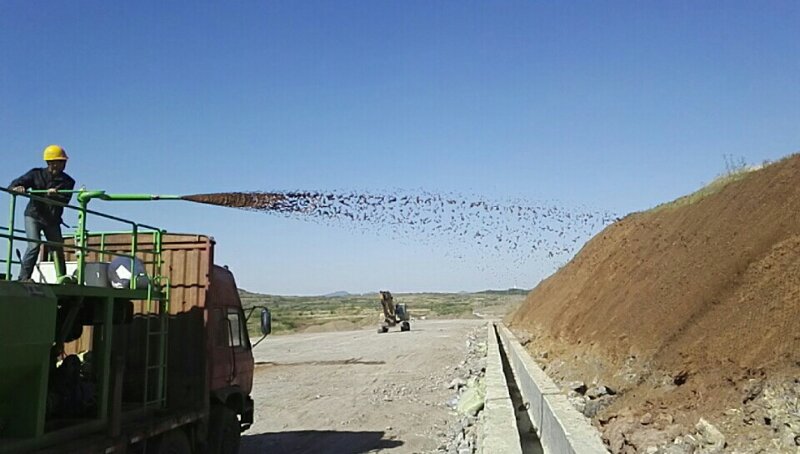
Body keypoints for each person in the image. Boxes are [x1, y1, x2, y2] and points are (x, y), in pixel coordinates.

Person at [9, 145, 76, 281]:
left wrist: (54, 196)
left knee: (57, 248)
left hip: (52, 219)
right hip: (34, 215)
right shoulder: (35, 174)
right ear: (51, 163)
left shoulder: (68, 181)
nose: (64, 164)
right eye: (61, 161)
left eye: (64, 161)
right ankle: (23, 278)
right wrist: (17, 188)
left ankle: (63, 279)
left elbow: (65, 200)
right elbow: (13, 185)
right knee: (34, 245)